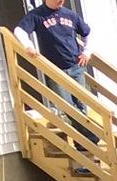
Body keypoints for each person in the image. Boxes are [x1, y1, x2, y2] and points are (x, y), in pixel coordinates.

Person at [18, 0, 97, 167]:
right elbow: (19, 30)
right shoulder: (37, 15)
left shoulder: (70, 15)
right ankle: (91, 138)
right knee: (66, 106)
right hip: (55, 69)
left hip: (76, 66)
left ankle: (85, 147)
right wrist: (28, 46)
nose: (61, 1)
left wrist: (87, 52)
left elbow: (87, 32)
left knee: (81, 105)